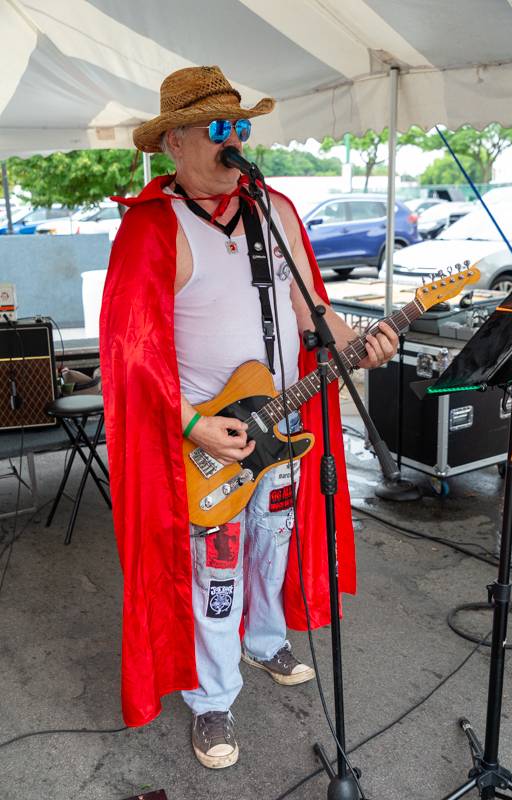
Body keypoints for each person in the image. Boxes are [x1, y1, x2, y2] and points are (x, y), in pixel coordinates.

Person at [100, 65, 398, 770]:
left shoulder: (276, 210)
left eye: (240, 128)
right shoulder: (151, 228)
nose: (232, 144)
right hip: (210, 438)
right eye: (215, 131)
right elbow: (129, 352)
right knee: (217, 570)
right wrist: (190, 424)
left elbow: (309, 310)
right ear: (172, 143)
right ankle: (210, 698)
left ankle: (263, 642)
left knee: (273, 540)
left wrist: (355, 340)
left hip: (283, 430)